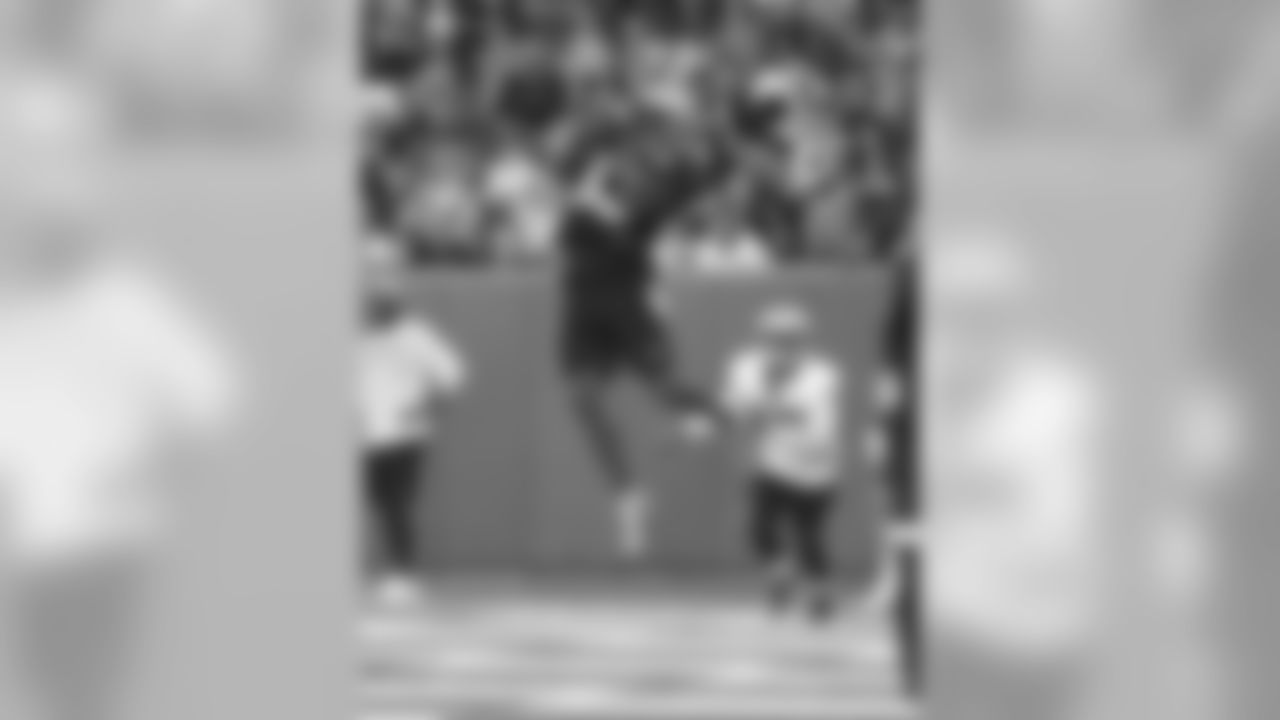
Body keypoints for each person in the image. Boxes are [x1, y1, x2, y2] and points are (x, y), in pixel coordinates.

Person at [0, 70, 242, 720]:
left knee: (85, 687)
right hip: (39, 534)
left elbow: (209, 398)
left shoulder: (130, 308)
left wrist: (143, 467)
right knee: (46, 681)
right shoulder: (19, 314)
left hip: (110, 535)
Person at [558, 152, 719, 561]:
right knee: (584, 399)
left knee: (665, 389)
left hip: (628, 315)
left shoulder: (640, 220)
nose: (624, 189)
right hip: (587, 318)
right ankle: (628, 496)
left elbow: (667, 201)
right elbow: (590, 207)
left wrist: (691, 177)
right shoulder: (580, 219)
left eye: (628, 184)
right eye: (617, 183)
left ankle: (709, 413)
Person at [358, 241, 468, 609]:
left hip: (407, 436)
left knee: (397, 504)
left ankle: (403, 575)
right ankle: (391, 572)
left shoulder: (417, 336)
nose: (374, 308)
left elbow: (453, 377)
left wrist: (425, 409)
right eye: (371, 303)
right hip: (368, 434)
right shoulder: (356, 336)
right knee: (379, 504)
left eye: (382, 303)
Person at [722, 301, 845, 621]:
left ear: (802, 343)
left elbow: (788, 412)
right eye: (776, 339)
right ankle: (780, 574)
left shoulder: (821, 374)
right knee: (759, 527)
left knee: (808, 537)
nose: (782, 348)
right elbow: (735, 407)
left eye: (790, 340)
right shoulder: (746, 366)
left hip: (815, 466)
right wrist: (710, 421)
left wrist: (750, 410)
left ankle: (821, 591)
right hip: (773, 461)